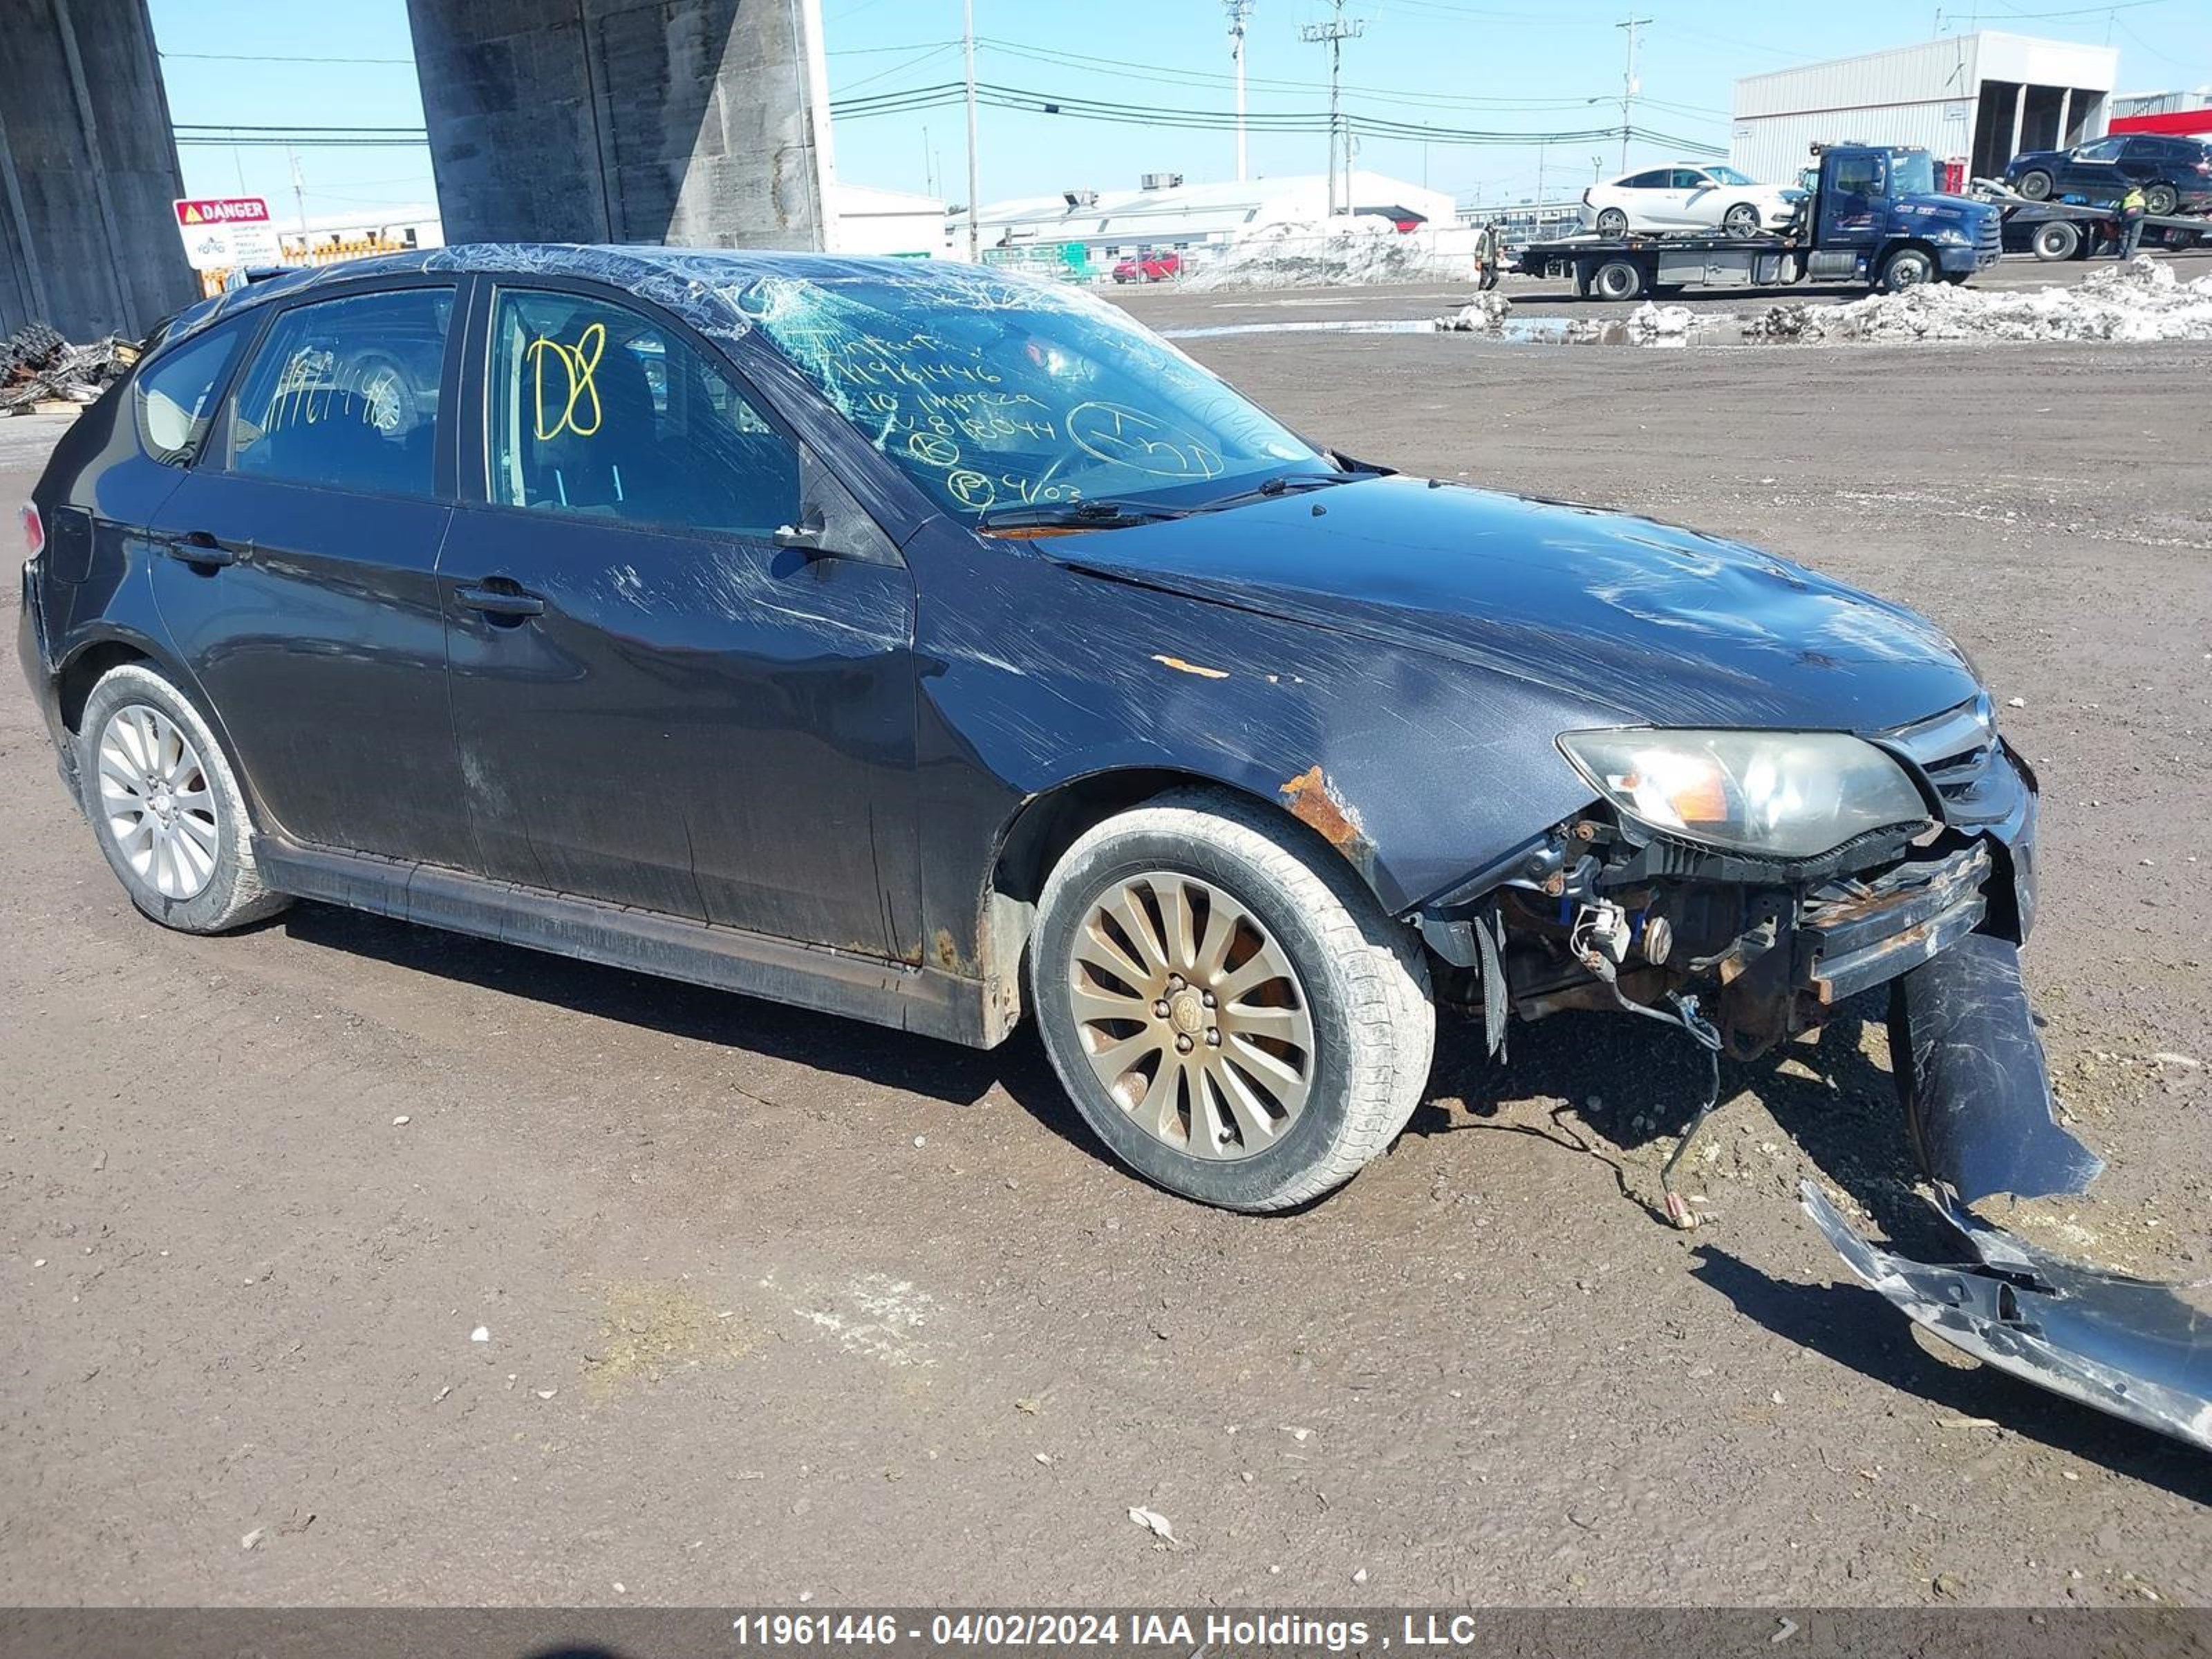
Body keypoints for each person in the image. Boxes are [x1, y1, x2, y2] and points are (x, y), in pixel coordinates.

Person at [2117, 182, 2148, 261]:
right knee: (2134, 237)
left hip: (2126, 214)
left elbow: (2120, 207)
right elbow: (2149, 206)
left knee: (2124, 235)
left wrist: (2120, 216)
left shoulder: (2127, 195)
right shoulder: (2143, 194)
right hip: (2138, 214)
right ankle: (2129, 256)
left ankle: (2122, 254)